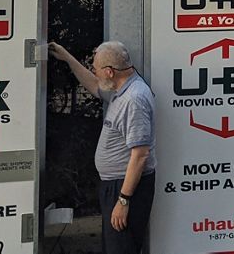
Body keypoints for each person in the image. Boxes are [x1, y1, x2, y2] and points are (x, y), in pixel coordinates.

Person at [49, 40, 156, 254]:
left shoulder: (133, 100)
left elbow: (140, 155)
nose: (94, 72)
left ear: (109, 72)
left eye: (96, 68)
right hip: (116, 185)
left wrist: (123, 201)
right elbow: (95, 86)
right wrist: (68, 57)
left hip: (126, 188)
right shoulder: (121, 89)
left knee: (122, 249)